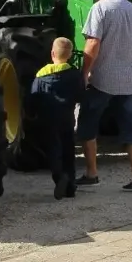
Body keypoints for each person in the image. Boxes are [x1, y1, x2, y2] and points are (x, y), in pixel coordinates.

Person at [76, 0, 132, 193]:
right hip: (131, 81)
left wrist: (85, 72)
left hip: (102, 79)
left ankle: (92, 174)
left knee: (88, 126)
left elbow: (92, 44)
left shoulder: (100, 9)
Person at [29, 37, 84, 200]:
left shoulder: (40, 77)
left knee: (53, 150)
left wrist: (32, 114)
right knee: (68, 150)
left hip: (48, 119)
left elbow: (32, 99)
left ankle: (59, 177)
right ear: (70, 55)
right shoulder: (74, 74)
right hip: (67, 118)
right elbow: (80, 95)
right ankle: (71, 186)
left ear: (52, 53)